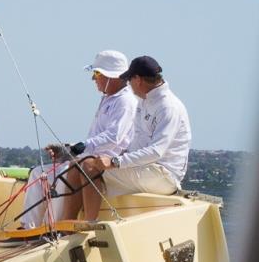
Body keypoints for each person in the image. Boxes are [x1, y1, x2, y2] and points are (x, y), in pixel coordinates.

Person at [62, 55, 191, 221]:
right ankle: (64, 230)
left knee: (88, 167)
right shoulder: (144, 102)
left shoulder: (169, 107)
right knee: (77, 166)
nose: (128, 85)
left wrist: (115, 162)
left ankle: (90, 225)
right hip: (145, 169)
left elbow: (156, 152)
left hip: (163, 175)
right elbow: (136, 144)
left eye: (129, 80)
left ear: (137, 80)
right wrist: (110, 159)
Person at [20, 50, 138, 228]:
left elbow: (114, 136)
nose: (93, 78)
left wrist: (79, 147)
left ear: (111, 76)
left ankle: (55, 228)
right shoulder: (108, 98)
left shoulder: (126, 101)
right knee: (38, 173)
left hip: (106, 163)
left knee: (62, 176)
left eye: (97, 73)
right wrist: (68, 149)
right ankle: (28, 227)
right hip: (87, 158)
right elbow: (96, 139)